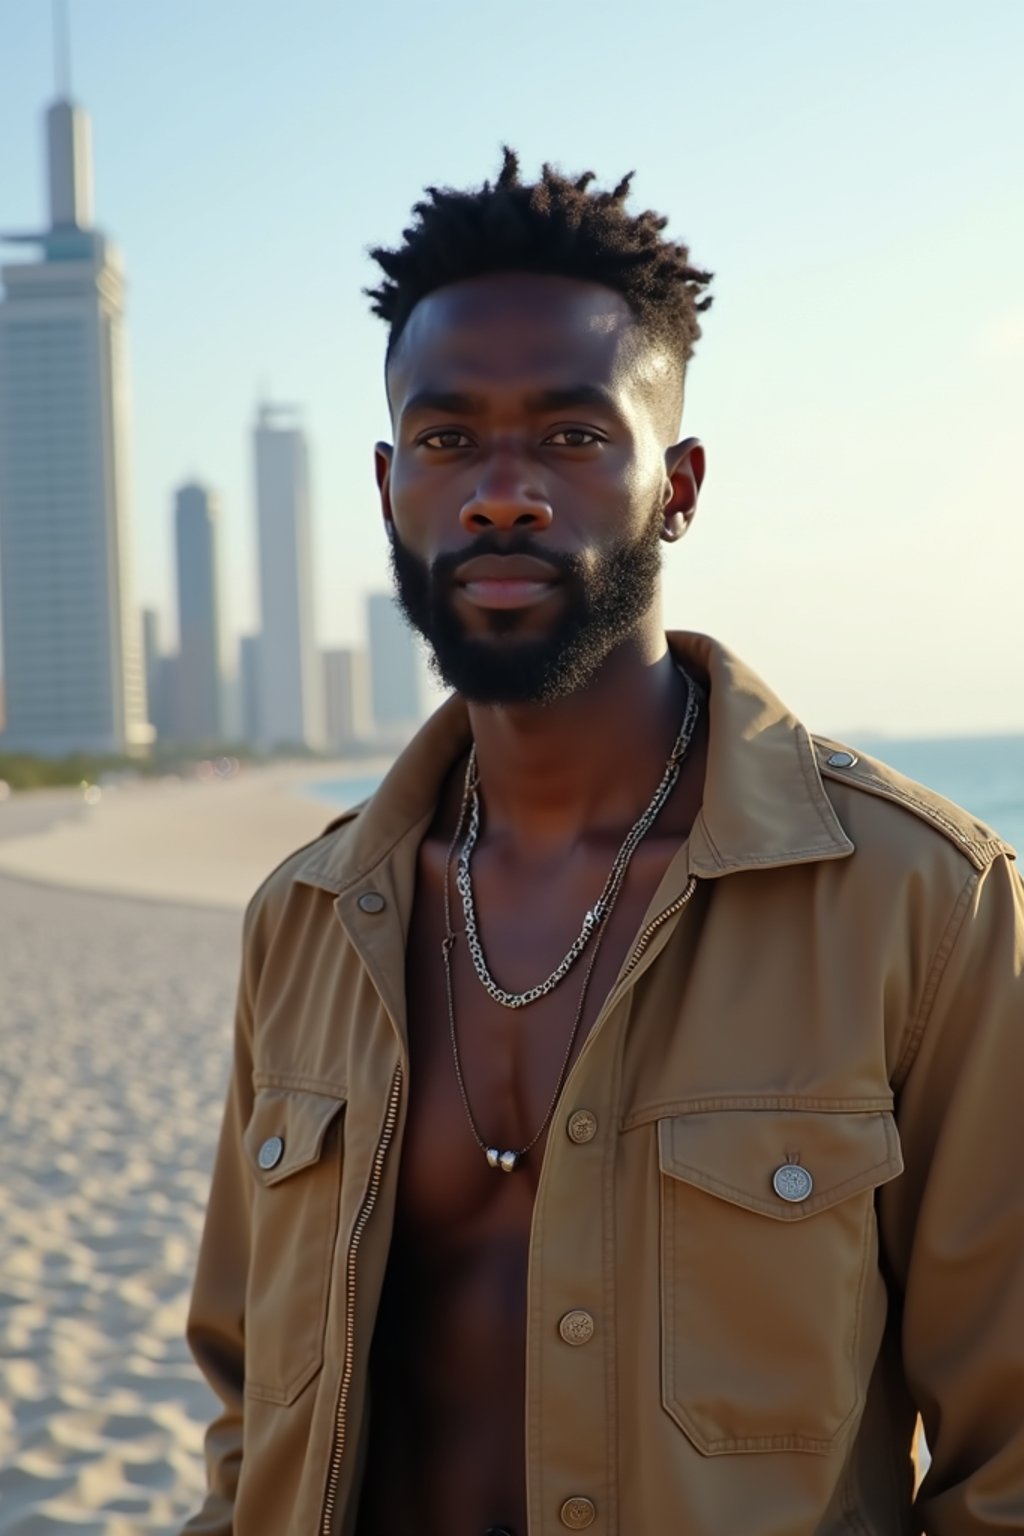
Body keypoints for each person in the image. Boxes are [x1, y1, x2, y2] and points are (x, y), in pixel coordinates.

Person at [181, 151, 1024, 1536]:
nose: (501, 493)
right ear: (390, 485)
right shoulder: (310, 917)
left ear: (679, 485)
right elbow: (247, 1397)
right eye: (449, 440)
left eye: (573, 438)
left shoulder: (922, 907)